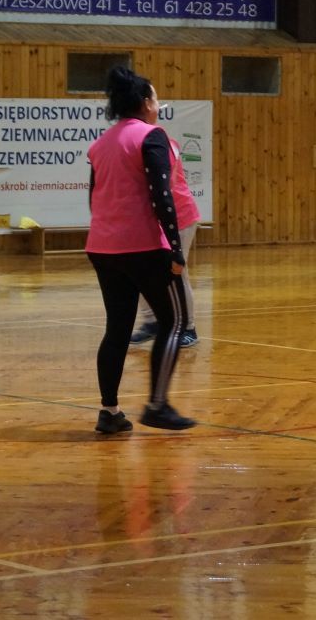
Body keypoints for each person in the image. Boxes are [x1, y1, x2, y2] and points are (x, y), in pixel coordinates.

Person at [86, 66, 195, 434]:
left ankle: (110, 412)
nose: (158, 105)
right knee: (175, 321)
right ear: (146, 102)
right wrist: (175, 249)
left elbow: (94, 197)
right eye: (156, 98)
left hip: (103, 247)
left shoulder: (100, 144)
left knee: (117, 328)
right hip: (144, 246)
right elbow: (162, 196)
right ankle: (157, 405)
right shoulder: (152, 136)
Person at [130, 134, 200, 349]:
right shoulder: (134, 143)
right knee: (140, 271)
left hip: (180, 216)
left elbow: (165, 184)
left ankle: (188, 328)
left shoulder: (162, 143)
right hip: (152, 219)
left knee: (177, 272)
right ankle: (152, 322)